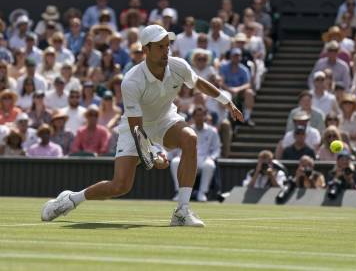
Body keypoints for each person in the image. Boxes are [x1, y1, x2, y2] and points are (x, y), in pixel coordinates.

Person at [41, 24, 244, 227]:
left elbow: (197, 82)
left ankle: (181, 211)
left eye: (167, 46)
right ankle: (71, 199)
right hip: (135, 128)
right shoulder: (131, 81)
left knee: (190, 138)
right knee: (119, 186)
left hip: (166, 120)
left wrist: (226, 100)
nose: (166, 51)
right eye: (160, 47)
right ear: (145, 50)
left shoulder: (178, 66)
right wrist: (154, 152)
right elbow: (137, 129)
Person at [170, 106, 221, 202]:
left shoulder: (212, 131)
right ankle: (179, 192)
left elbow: (216, 150)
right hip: (188, 159)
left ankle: (202, 193)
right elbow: (179, 145)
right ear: (193, 117)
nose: (199, 118)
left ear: (205, 116)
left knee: (209, 164)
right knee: (175, 162)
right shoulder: (187, 129)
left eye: (201, 115)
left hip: (203, 160)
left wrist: (211, 158)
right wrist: (179, 154)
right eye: (197, 115)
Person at [219, 48, 255, 125]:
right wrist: (229, 89)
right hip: (227, 90)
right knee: (224, 94)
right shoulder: (223, 67)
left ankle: (247, 118)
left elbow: (248, 84)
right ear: (231, 57)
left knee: (249, 93)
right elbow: (221, 82)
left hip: (239, 92)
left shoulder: (244, 69)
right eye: (234, 56)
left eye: (238, 56)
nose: (236, 58)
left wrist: (237, 89)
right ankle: (225, 118)